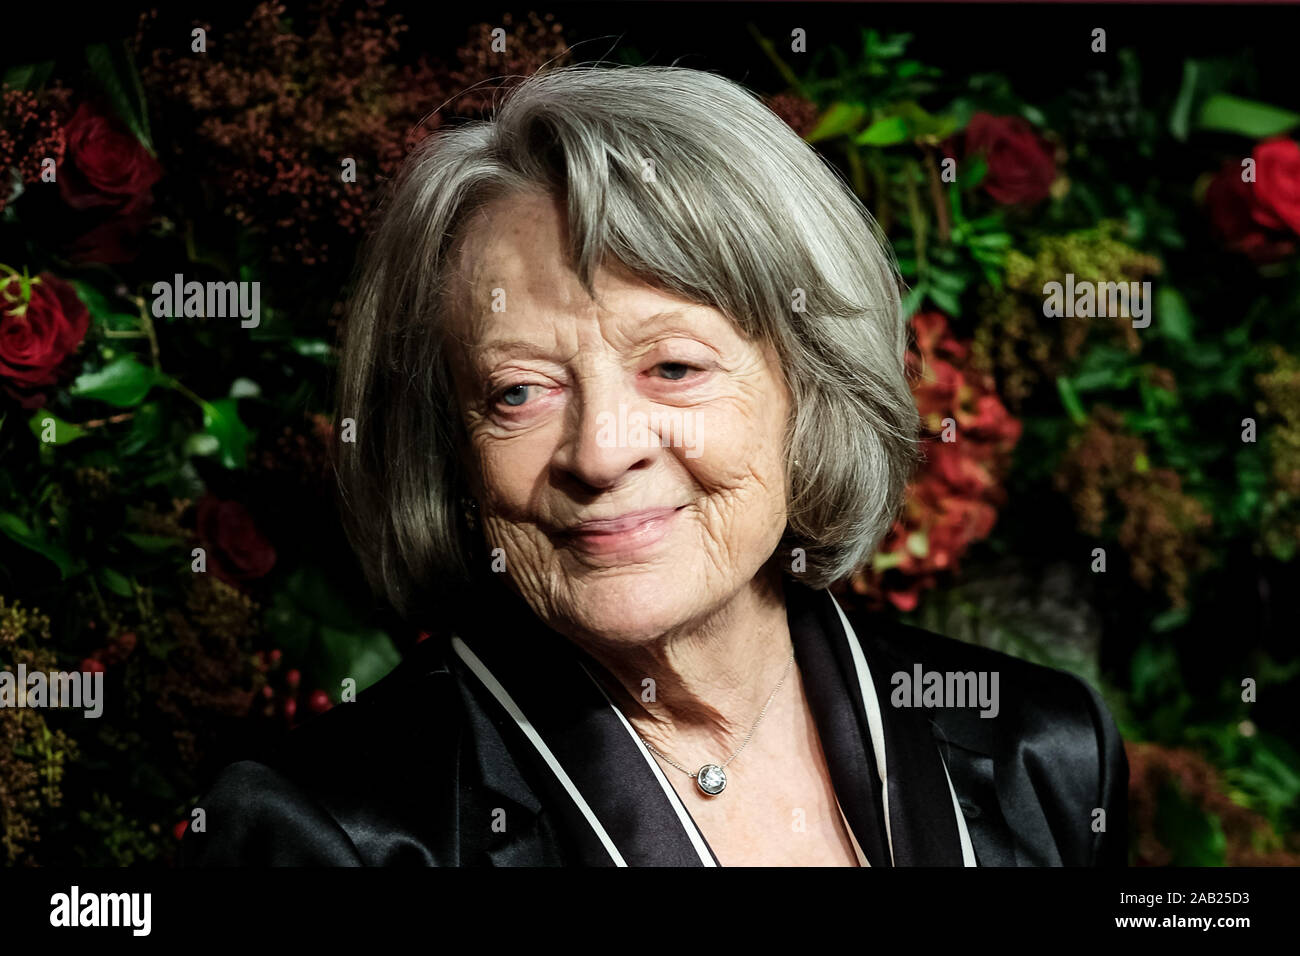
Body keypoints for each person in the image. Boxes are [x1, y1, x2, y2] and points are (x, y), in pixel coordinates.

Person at [183, 64, 1127, 867]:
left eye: (672, 367)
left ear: (812, 386)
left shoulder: (1041, 752)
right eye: (518, 393)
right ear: (452, 449)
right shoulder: (328, 833)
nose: (599, 450)